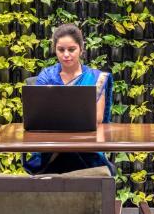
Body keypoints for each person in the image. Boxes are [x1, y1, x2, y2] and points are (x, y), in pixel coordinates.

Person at [23, 23, 114, 174]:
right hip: (51, 149)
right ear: (55, 50)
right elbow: (38, 116)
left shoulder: (96, 78)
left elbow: (97, 118)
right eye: (61, 50)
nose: (66, 54)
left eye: (71, 49)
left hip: (86, 149)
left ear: (81, 49)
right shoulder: (46, 76)